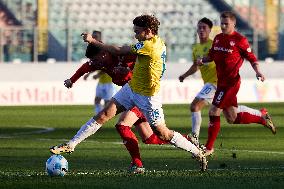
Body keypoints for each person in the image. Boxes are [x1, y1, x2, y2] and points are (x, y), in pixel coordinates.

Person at [50, 14, 208, 172]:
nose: (135, 35)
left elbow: (118, 50)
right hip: (132, 88)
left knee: (162, 134)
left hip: (147, 97)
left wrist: (92, 41)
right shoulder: (152, 42)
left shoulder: (149, 46)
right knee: (104, 114)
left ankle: (197, 152)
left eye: (137, 31)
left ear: (147, 31)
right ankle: (71, 144)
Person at [196, 11, 276, 156]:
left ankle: (208, 148)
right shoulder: (218, 38)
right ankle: (262, 118)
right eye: (222, 23)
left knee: (214, 111)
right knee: (232, 118)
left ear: (234, 24)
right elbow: (212, 56)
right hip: (221, 83)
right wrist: (203, 59)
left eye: (226, 24)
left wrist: (258, 72)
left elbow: (252, 58)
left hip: (231, 83)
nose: (223, 26)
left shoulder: (240, 40)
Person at [179, 17, 217, 146]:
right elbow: (195, 66)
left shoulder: (214, 45)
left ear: (210, 30)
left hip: (216, 82)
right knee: (232, 114)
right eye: (199, 27)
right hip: (208, 83)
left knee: (195, 106)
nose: (201, 30)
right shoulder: (196, 48)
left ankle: (194, 137)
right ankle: (260, 115)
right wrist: (184, 75)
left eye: (204, 27)